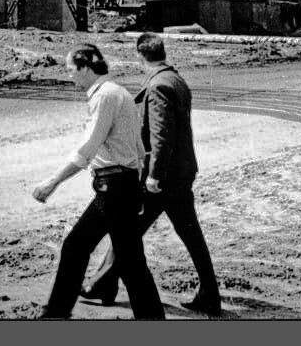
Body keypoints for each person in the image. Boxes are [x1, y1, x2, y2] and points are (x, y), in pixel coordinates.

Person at [81, 32, 222, 316]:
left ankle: (102, 285)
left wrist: (154, 176)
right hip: (181, 173)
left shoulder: (157, 86)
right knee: (191, 236)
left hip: (162, 179)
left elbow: (161, 136)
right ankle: (210, 295)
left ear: (139, 56)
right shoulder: (175, 79)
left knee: (127, 232)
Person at [32, 44, 166, 319]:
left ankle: (55, 315)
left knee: (76, 247)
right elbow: (140, 149)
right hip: (124, 185)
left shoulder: (103, 97)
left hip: (113, 188)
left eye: (71, 70)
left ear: (84, 68)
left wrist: (51, 183)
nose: (70, 76)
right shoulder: (119, 92)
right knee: (130, 262)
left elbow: (86, 151)